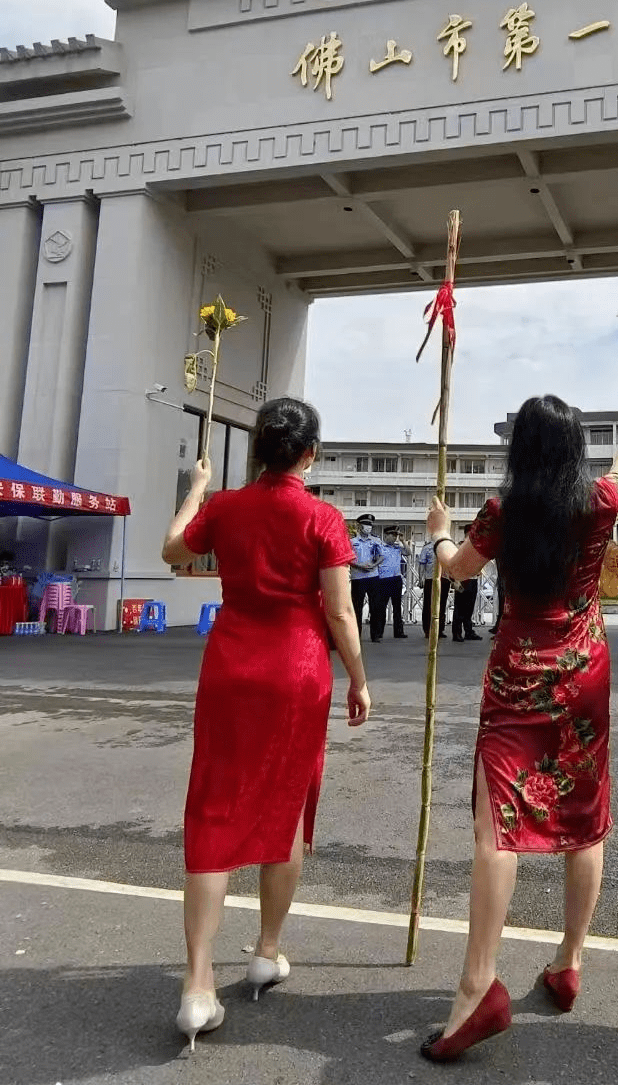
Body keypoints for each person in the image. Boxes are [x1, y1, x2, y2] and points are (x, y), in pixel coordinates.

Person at [418, 389, 618, 1062]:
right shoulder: (600, 503)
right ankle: (570, 960)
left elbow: (456, 570)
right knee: (585, 815)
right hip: (584, 672)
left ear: (519, 448)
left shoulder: (503, 511)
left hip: (518, 675)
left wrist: (439, 528)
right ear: (575, 448)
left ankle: (476, 984)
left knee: (498, 827)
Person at [161, 397, 372, 1051]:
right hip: (297, 671)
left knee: (213, 809)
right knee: (286, 806)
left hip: (229, 666)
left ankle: (197, 985)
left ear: (257, 450)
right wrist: (360, 679)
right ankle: (266, 950)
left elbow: (174, 552)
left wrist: (196, 491)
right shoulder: (322, 518)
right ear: (310, 454)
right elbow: (339, 613)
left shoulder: (224, 507)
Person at [350, 513, 383, 641]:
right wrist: (359, 566)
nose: (368, 528)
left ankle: (375, 635)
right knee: (357, 607)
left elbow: (382, 556)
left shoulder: (376, 541)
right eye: (365, 525)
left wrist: (374, 564)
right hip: (358, 577)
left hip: (373, 576)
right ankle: (355, 635)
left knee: (375, 606)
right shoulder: (352, 542)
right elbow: (348, 559)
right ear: (359, 526)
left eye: (370, 525)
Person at [372, 525, 407, 640]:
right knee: (381, 607)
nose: (394, 538)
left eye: (396, 536)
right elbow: (375, 559)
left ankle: (398, 632)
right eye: (393, 536)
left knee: (397, 607)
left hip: (396, 579)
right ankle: (378, 632)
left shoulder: (397, 548)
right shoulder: (380, 547)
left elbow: (408, 552)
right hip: (384, 579)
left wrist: (403, 541)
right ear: (386, 535)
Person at [418, 538, 449, 640]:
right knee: (428, 605)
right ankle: (427, 630)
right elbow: (422, 564)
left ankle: (439, 630)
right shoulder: (427, 548)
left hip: (444, 579)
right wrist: (420, 578)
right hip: (430, 579)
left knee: (442, 605)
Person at [451, 574, 480, 642]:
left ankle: (468, 631)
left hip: (473, 578)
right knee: (459, 608)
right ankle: (456, 633)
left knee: (469, 608)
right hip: (463, 579)